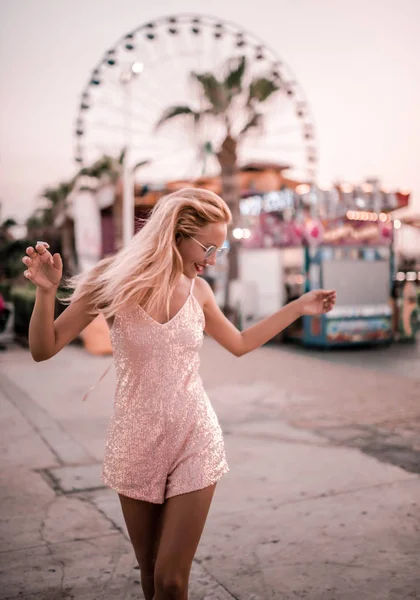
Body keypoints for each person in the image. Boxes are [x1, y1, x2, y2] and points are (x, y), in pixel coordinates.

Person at [22, 188, 336, 600]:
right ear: (176, 234)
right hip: (134, 442)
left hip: (195, 436)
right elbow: (44, 349)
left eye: (219, 249)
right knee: (152, 577)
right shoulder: (110, 282)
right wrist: (47, 294)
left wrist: (298, 308)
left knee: (171, 581)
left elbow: (239, 343)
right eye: (208, 247)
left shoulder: (200, 292)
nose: (212, 259)